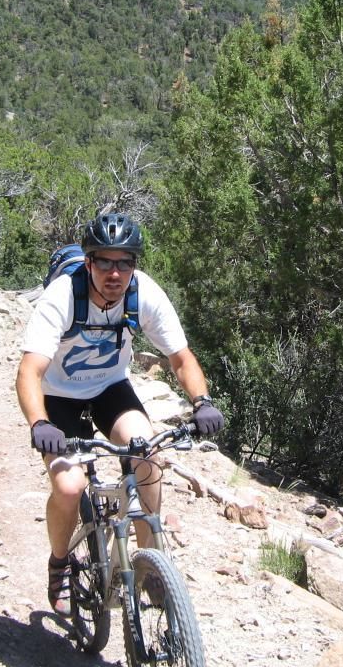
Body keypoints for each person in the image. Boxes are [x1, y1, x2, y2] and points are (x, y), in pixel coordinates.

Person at [15, 212, 224, 615]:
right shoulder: (61, 297)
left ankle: (151, 560)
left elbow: (181, 359)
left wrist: (202, 401)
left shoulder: (143, 293)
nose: (115, 272)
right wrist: (39, 423)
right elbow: (29, 370)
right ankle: (59, 562)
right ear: (89, 262)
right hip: (59, 398)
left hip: (110, 389)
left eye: (125, 262)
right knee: (71, 486)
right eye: (105, 262)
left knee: (147, 455)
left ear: (134, 264)